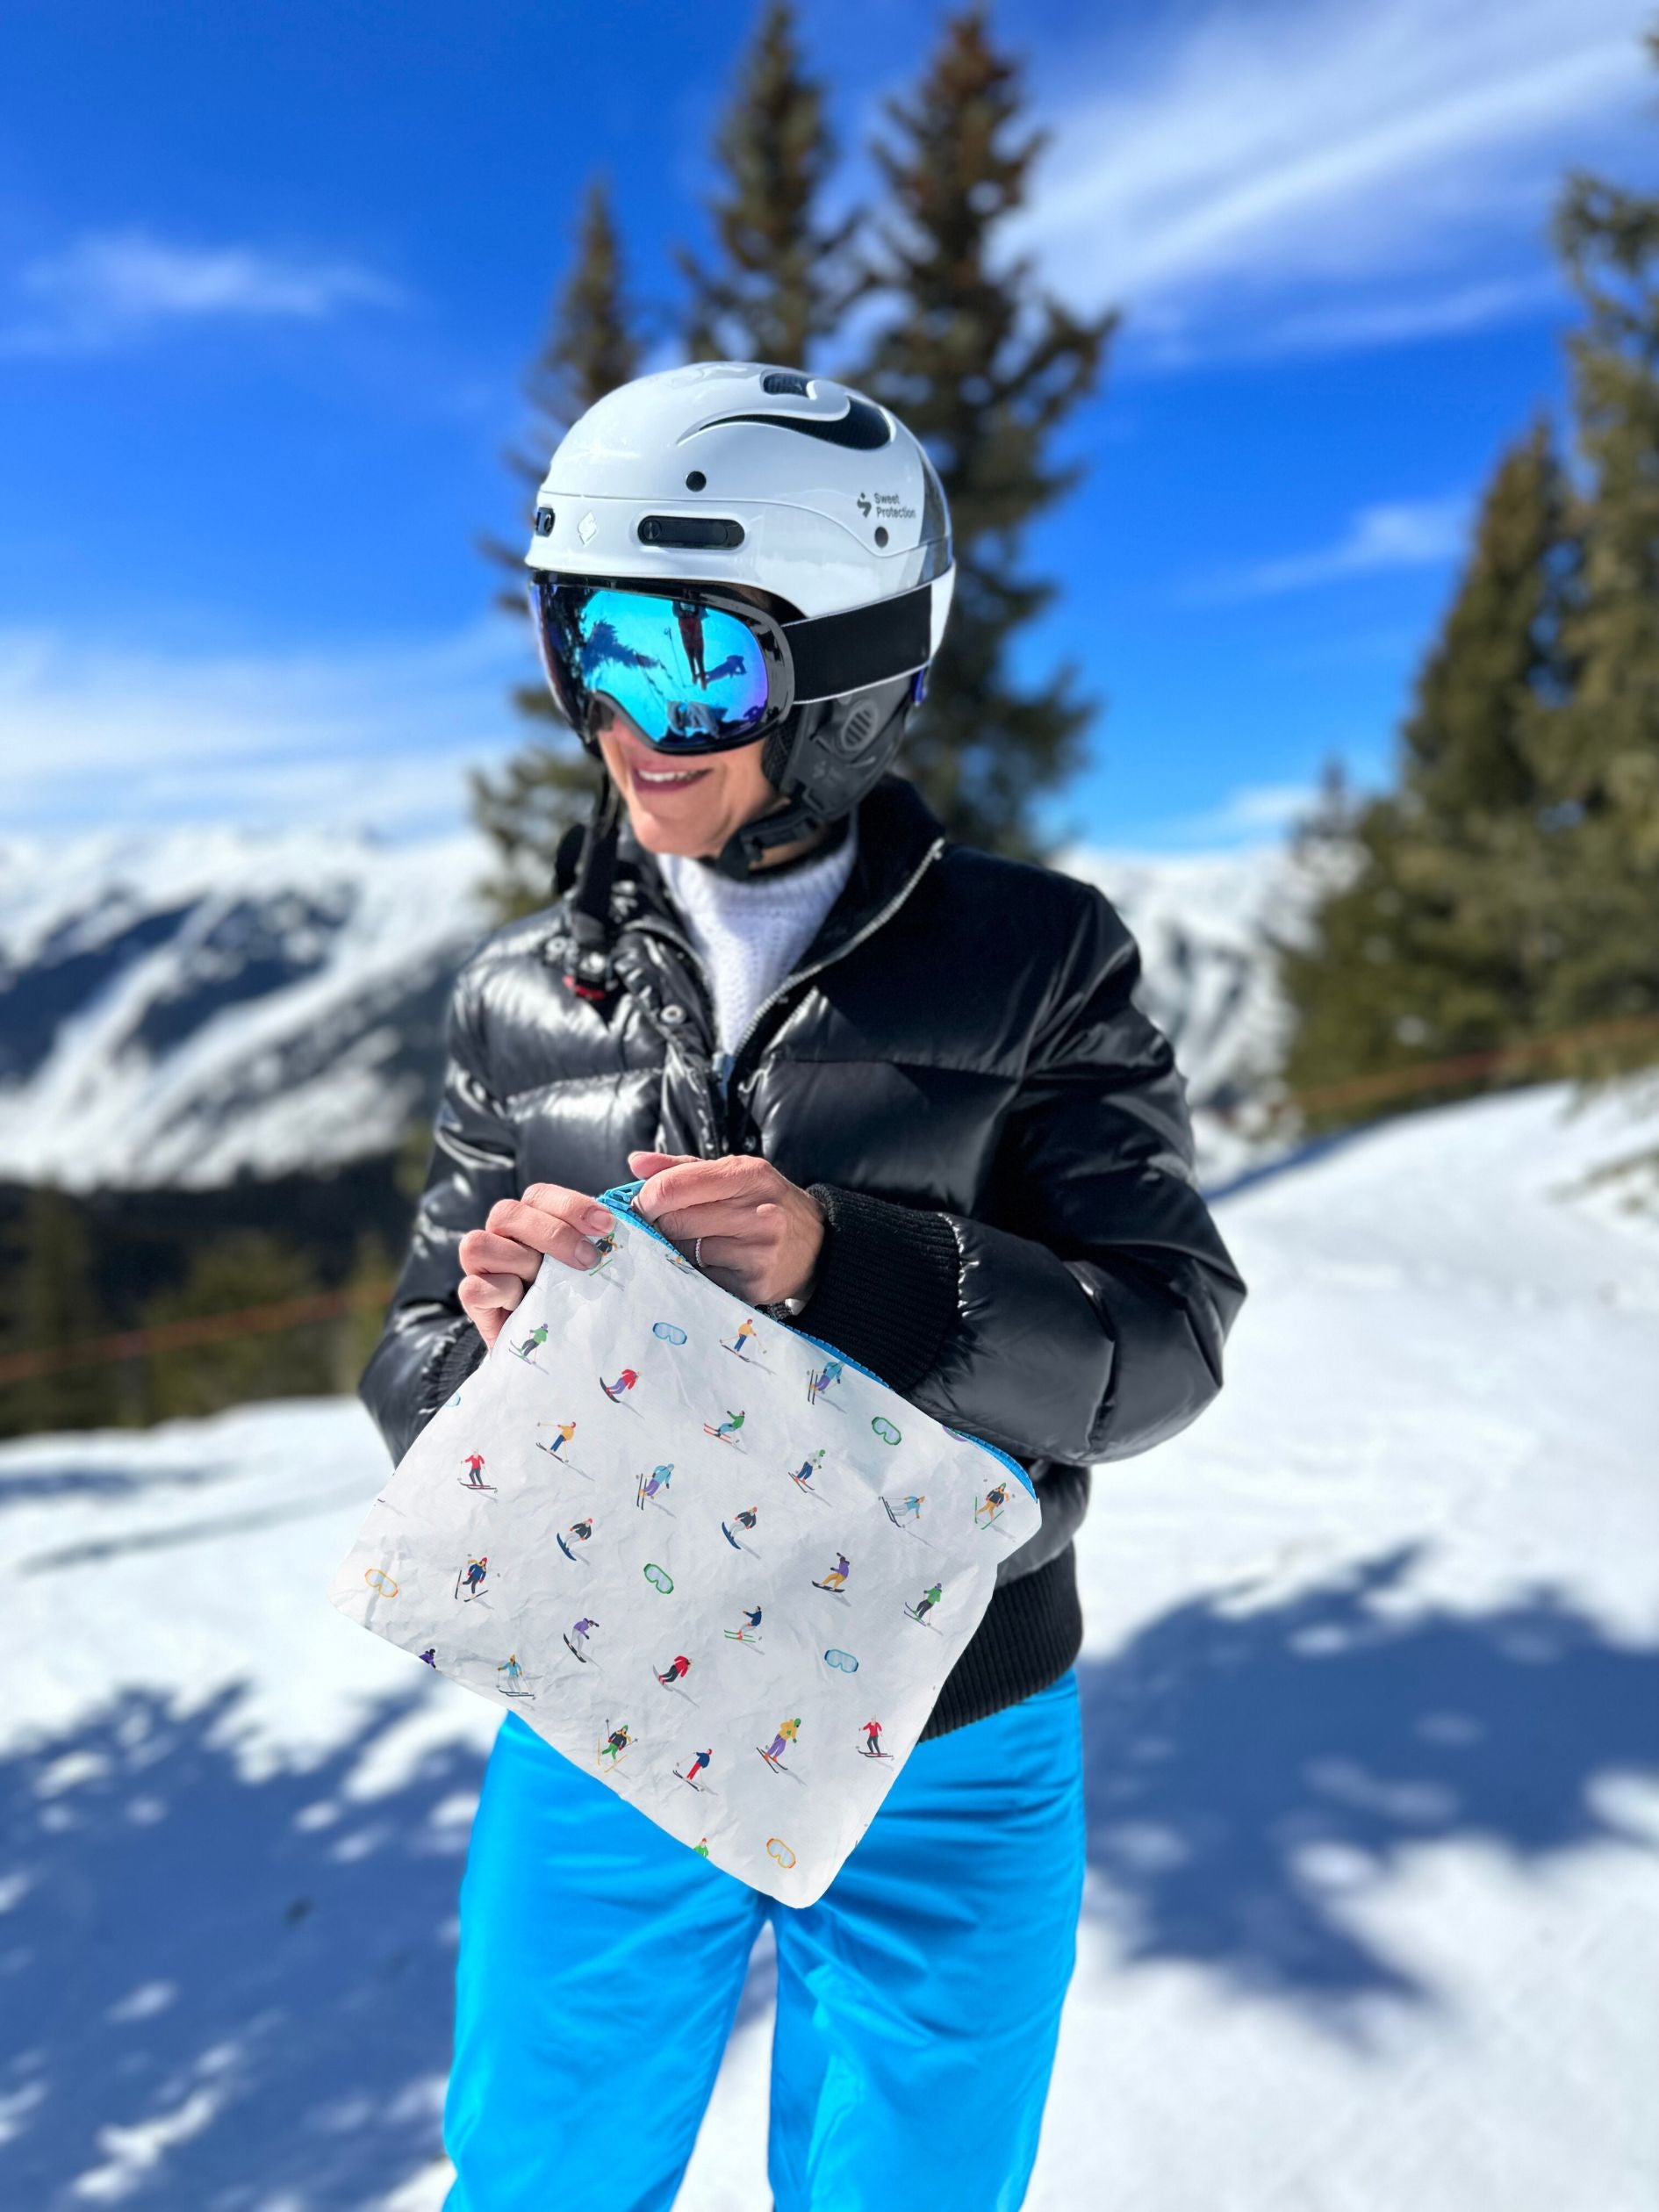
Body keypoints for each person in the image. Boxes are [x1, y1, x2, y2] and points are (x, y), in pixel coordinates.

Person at [357, 361, 1246, 2212]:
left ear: (849, 680)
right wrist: (498, 1344)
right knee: (534, 2178)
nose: (632, 721)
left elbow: (1164, 1347)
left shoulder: (1033, 960)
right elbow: (411, 1361)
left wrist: (867, 1269)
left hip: (952, 1725)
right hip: (606, 1695)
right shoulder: (522, 996)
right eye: (590, 647)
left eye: (700, 665)